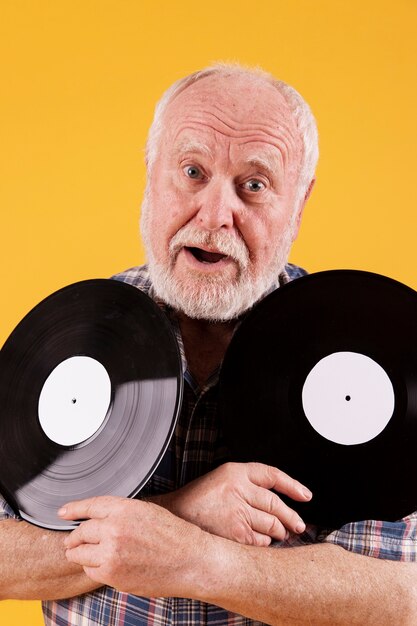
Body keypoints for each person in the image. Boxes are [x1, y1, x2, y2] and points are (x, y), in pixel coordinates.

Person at [1, 63, 416, 626]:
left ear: (299, 201)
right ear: (151, 175)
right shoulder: (66, 336)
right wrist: (182, 510)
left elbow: (401, 595)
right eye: (193, 172)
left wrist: (202, 561)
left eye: (254, 185)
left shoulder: (377, 349)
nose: (216, 215)